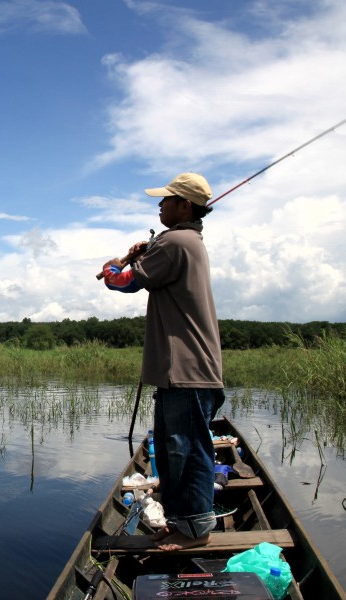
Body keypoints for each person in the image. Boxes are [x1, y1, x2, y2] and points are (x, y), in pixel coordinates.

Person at [101, 172, 224, 552]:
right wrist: (142, 255)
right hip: (186, 371)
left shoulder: (174, 241)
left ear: (185, 206)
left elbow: (121, 281)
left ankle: (196, 530)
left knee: (187, 451)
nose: (159, 206)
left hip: (186, 370)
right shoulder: (186, 241)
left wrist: (114, 263)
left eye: (166, 200)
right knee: (175, 451)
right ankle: (182, 521)